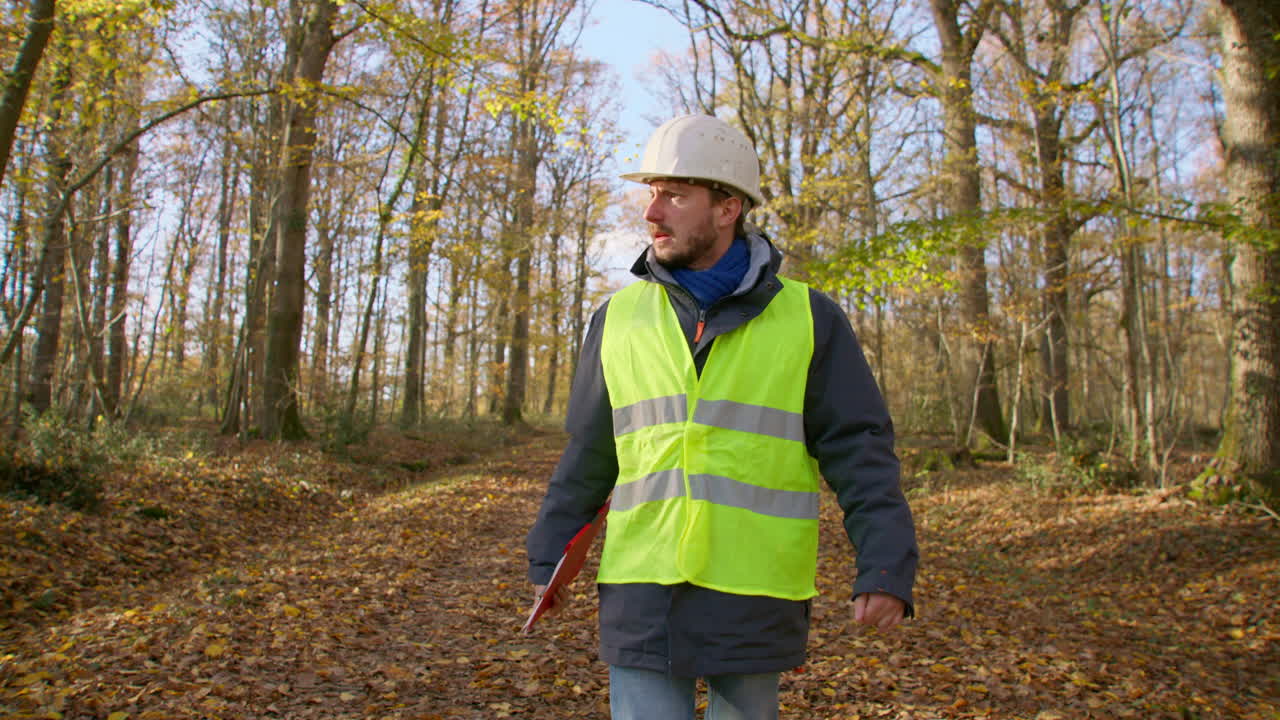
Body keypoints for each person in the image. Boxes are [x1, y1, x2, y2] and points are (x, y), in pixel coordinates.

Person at [525, 114, 918, 720]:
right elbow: (590, 450)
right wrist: (550, 554)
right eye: (651, 193)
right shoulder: (618, 318)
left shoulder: (810, 319)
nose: (652, 213)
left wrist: (886, 563)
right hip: (641, 587)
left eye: (675, 196)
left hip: (753, 593)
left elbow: (860, 449)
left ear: (729, 206)